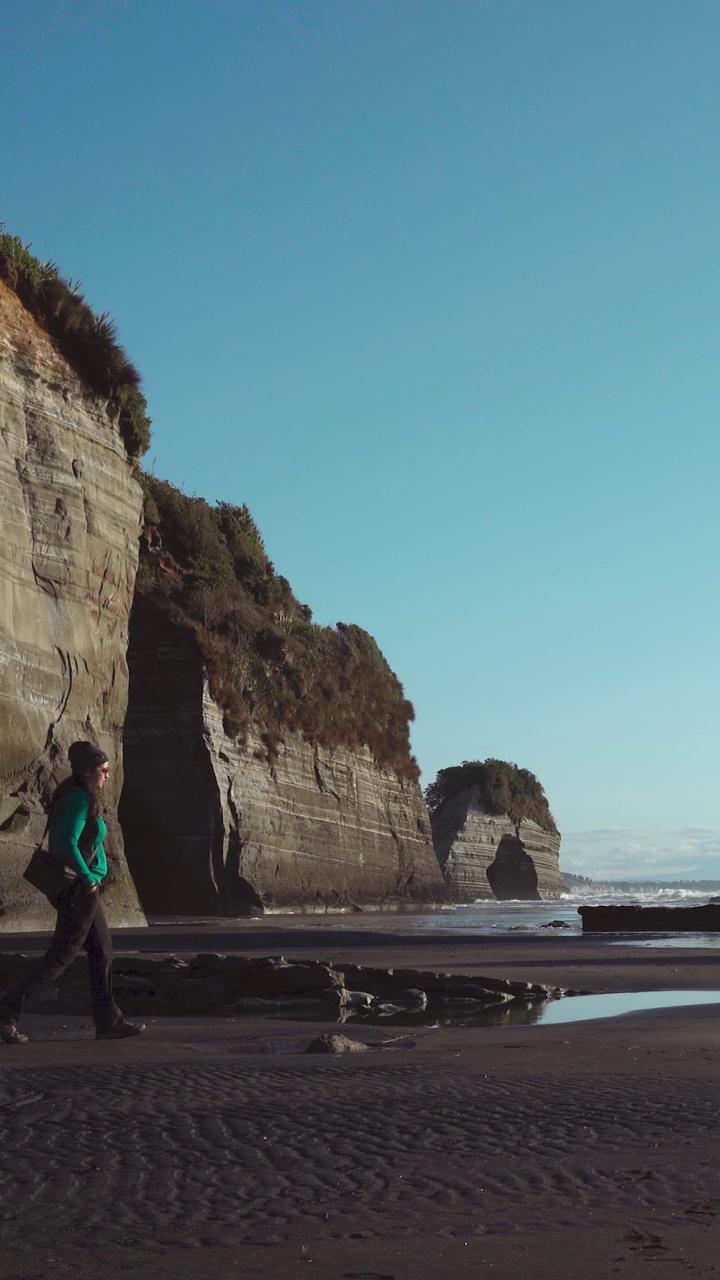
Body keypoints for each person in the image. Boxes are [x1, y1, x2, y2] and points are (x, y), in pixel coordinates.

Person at [0, 741, 145, 1045]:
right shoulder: (79, 798)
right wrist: (88, 878)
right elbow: (64, 843)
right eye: (103, 770)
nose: (107, 775)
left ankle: (108, 1023)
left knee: (102, 950)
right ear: (89, 771)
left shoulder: (74, 794)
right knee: (61, 957)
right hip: (80, 890)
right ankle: (6, 1013)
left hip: (81, 889)